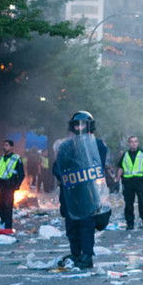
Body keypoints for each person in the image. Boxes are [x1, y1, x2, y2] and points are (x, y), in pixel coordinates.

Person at [53, 111, 110, 269]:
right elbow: (57, 168)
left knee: (86, 224)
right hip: (70, 192)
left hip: (88, 192)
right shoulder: (65, 146)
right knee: (71, 225)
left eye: (83, 124)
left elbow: (97, 165)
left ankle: (87, 255)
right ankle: (76, 253)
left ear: (89, 125)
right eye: (77, 125)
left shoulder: (98, 145)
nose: (80, 127)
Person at [118, 135, 143, 230]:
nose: (133, 143)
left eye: (135, 141)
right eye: (132, 142)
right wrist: (117, 179)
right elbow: (121, 168)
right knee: (128, 203)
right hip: (128, 182)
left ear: (138, 143)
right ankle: (130, 223)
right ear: (129, 143)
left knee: (142, 202)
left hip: (140, 182)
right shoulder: (125, 155)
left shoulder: (142, 154)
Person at [0, 139, 25, 230]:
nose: (4, 147)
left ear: (11, 147)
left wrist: (18, 185)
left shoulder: (16, 158)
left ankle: (8, 227)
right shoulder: (0, 159)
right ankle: (3, 222)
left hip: (10, 185)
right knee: (0, 204)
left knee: (8, 205)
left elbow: (22, 174)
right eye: (4, 145)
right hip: (1, 185)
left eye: (6, 145)